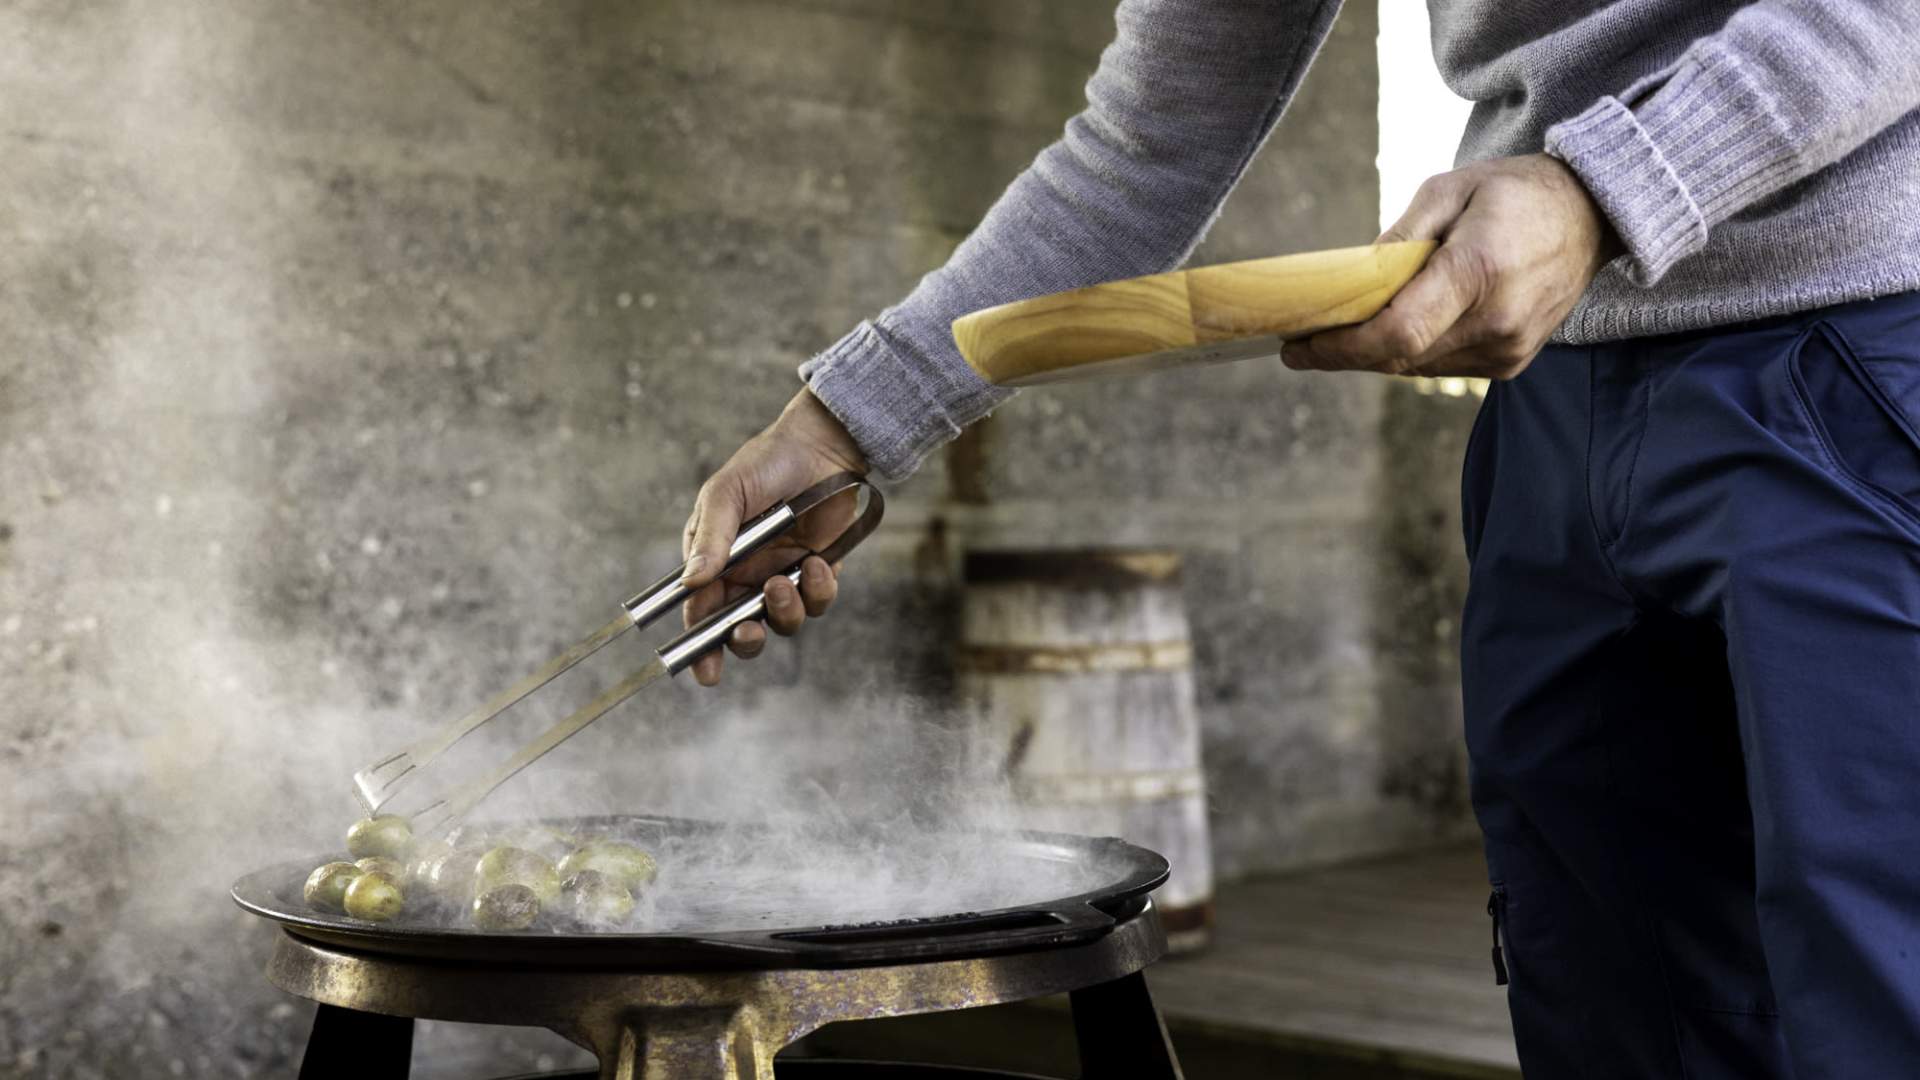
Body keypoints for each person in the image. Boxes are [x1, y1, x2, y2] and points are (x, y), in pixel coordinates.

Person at [676, 2, 1920, 1075]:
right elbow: (1154, 134)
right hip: (1557, 401)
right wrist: (844, 422)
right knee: (1617, 1013)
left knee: (1883, 992)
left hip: (1859, 354)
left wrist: (1608, 186)